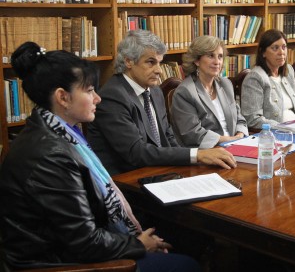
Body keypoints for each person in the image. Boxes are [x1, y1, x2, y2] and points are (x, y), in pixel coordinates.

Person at [0, 42, 200, 272]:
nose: (98, 98)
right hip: (59, 263)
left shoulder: (56, 132)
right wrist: (138, 244)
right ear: (63, 97)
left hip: (68, 249)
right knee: (186, 264)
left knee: (182, 237)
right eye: (89, 90)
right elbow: (85, 242)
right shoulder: (51, 154)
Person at [87, 30, 236, 175]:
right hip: (126, 181)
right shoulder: (112, 96)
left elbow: (168, 137)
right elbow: (136, 152)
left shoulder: (155, 91)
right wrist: (197, 155)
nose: (159, 70)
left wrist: (187, 170)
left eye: (160, 62)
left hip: (158, 171)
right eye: (151, 62)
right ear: (128, 61)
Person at [170, 36, 248, 148]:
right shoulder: (185, 91)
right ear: (197, 60)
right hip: (208, 152)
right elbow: (193, 134)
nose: (217, 62)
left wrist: (240, 135)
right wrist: (229, 140)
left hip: (236, 145)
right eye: (211, 56)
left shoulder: (226, 84)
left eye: (220, 57)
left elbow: (240, 119)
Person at [240, 29, 295, 129]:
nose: (281, 52)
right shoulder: (255, 78)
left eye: (284, 47)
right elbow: (252, 119)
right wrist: (284, 127)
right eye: (275, 48)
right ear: (263, 53)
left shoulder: (289, 71)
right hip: (275, 133)